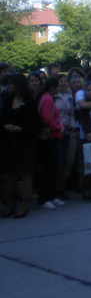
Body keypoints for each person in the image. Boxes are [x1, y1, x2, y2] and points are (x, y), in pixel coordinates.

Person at [0, 74, 40, 217]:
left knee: (24, 174)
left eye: (12, 84)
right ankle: (9, 203)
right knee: (8, 175)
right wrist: (6, 126)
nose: (10, 87)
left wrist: (20, 128)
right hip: (8, 142)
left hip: (25, 143)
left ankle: (24, 204)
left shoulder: (29, 102)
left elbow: (35, 125)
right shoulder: (7, 99)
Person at [36, 76, 64, 209]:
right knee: (48, 168)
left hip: (53, 135)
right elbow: (47, 119)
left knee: (53, 168)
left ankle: (52, 195)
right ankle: (45, 197)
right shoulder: (47, 99)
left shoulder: (48, 98)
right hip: (50, 137)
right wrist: (58, 127)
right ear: (53, 87)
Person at [54, 73, 79, 200]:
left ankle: (63, 187)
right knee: (59, 162)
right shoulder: (53, 97)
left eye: (65, 81)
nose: (63, 83)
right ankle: (57, 189)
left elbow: (73, 114)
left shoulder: (70, 96)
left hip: (70, 131)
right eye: (61, 81)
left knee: (69, 161)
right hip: (58, 132)